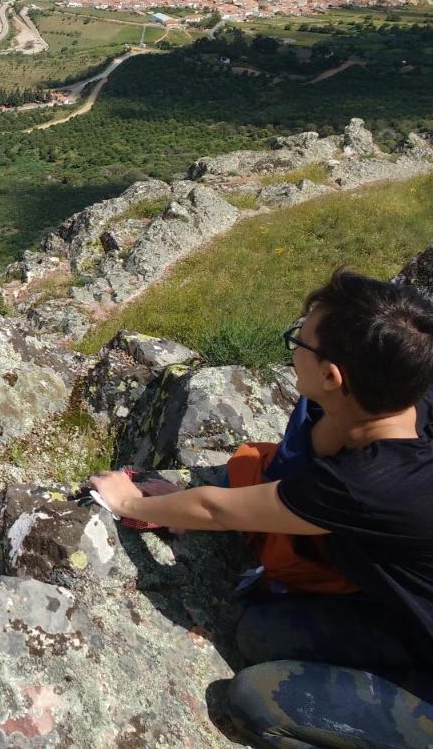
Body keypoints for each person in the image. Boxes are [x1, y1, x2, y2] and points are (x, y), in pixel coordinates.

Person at [91, 270, 433, 747]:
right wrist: (336, 416)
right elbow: (301, 462)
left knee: (256, 699)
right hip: (413, 623)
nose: (293, 348)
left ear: (333, 376)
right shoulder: (407, 400)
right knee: (259, 636)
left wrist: (127, 499)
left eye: (300, 339)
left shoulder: (371, 485)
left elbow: (218, 511)